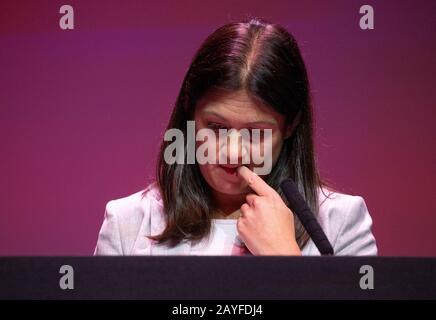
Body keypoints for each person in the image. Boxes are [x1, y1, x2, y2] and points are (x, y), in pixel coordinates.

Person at [94, 18, 377, 256]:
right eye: (216, 128)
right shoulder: (126, 222)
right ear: (189, 111)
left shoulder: (340, 222)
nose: (232, 153)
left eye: (256, 133)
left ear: (291, 125)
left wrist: (286, 260)